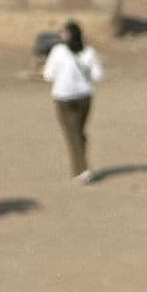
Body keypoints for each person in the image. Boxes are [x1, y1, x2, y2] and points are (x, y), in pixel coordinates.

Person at [43, 19, 104, 183]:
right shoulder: (89, 52)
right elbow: (98, 75)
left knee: (73, 133)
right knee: (78, 132)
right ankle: (78, 169)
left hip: (64, 97)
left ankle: (83, 169)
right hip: (85, 96)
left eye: (64, 32)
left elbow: (48, 75)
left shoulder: (58, 51)